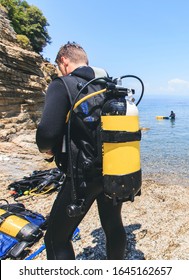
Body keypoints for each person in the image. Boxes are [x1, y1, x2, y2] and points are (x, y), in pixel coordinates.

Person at [36, 42, 126, 260]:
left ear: (64, 62)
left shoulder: (63, 84)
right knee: (113, 225)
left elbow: (47, 134)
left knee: (56, 239)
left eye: (59, 67)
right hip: (115, 170)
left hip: (83, 177)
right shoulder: (110, 87)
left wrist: (47, 149)